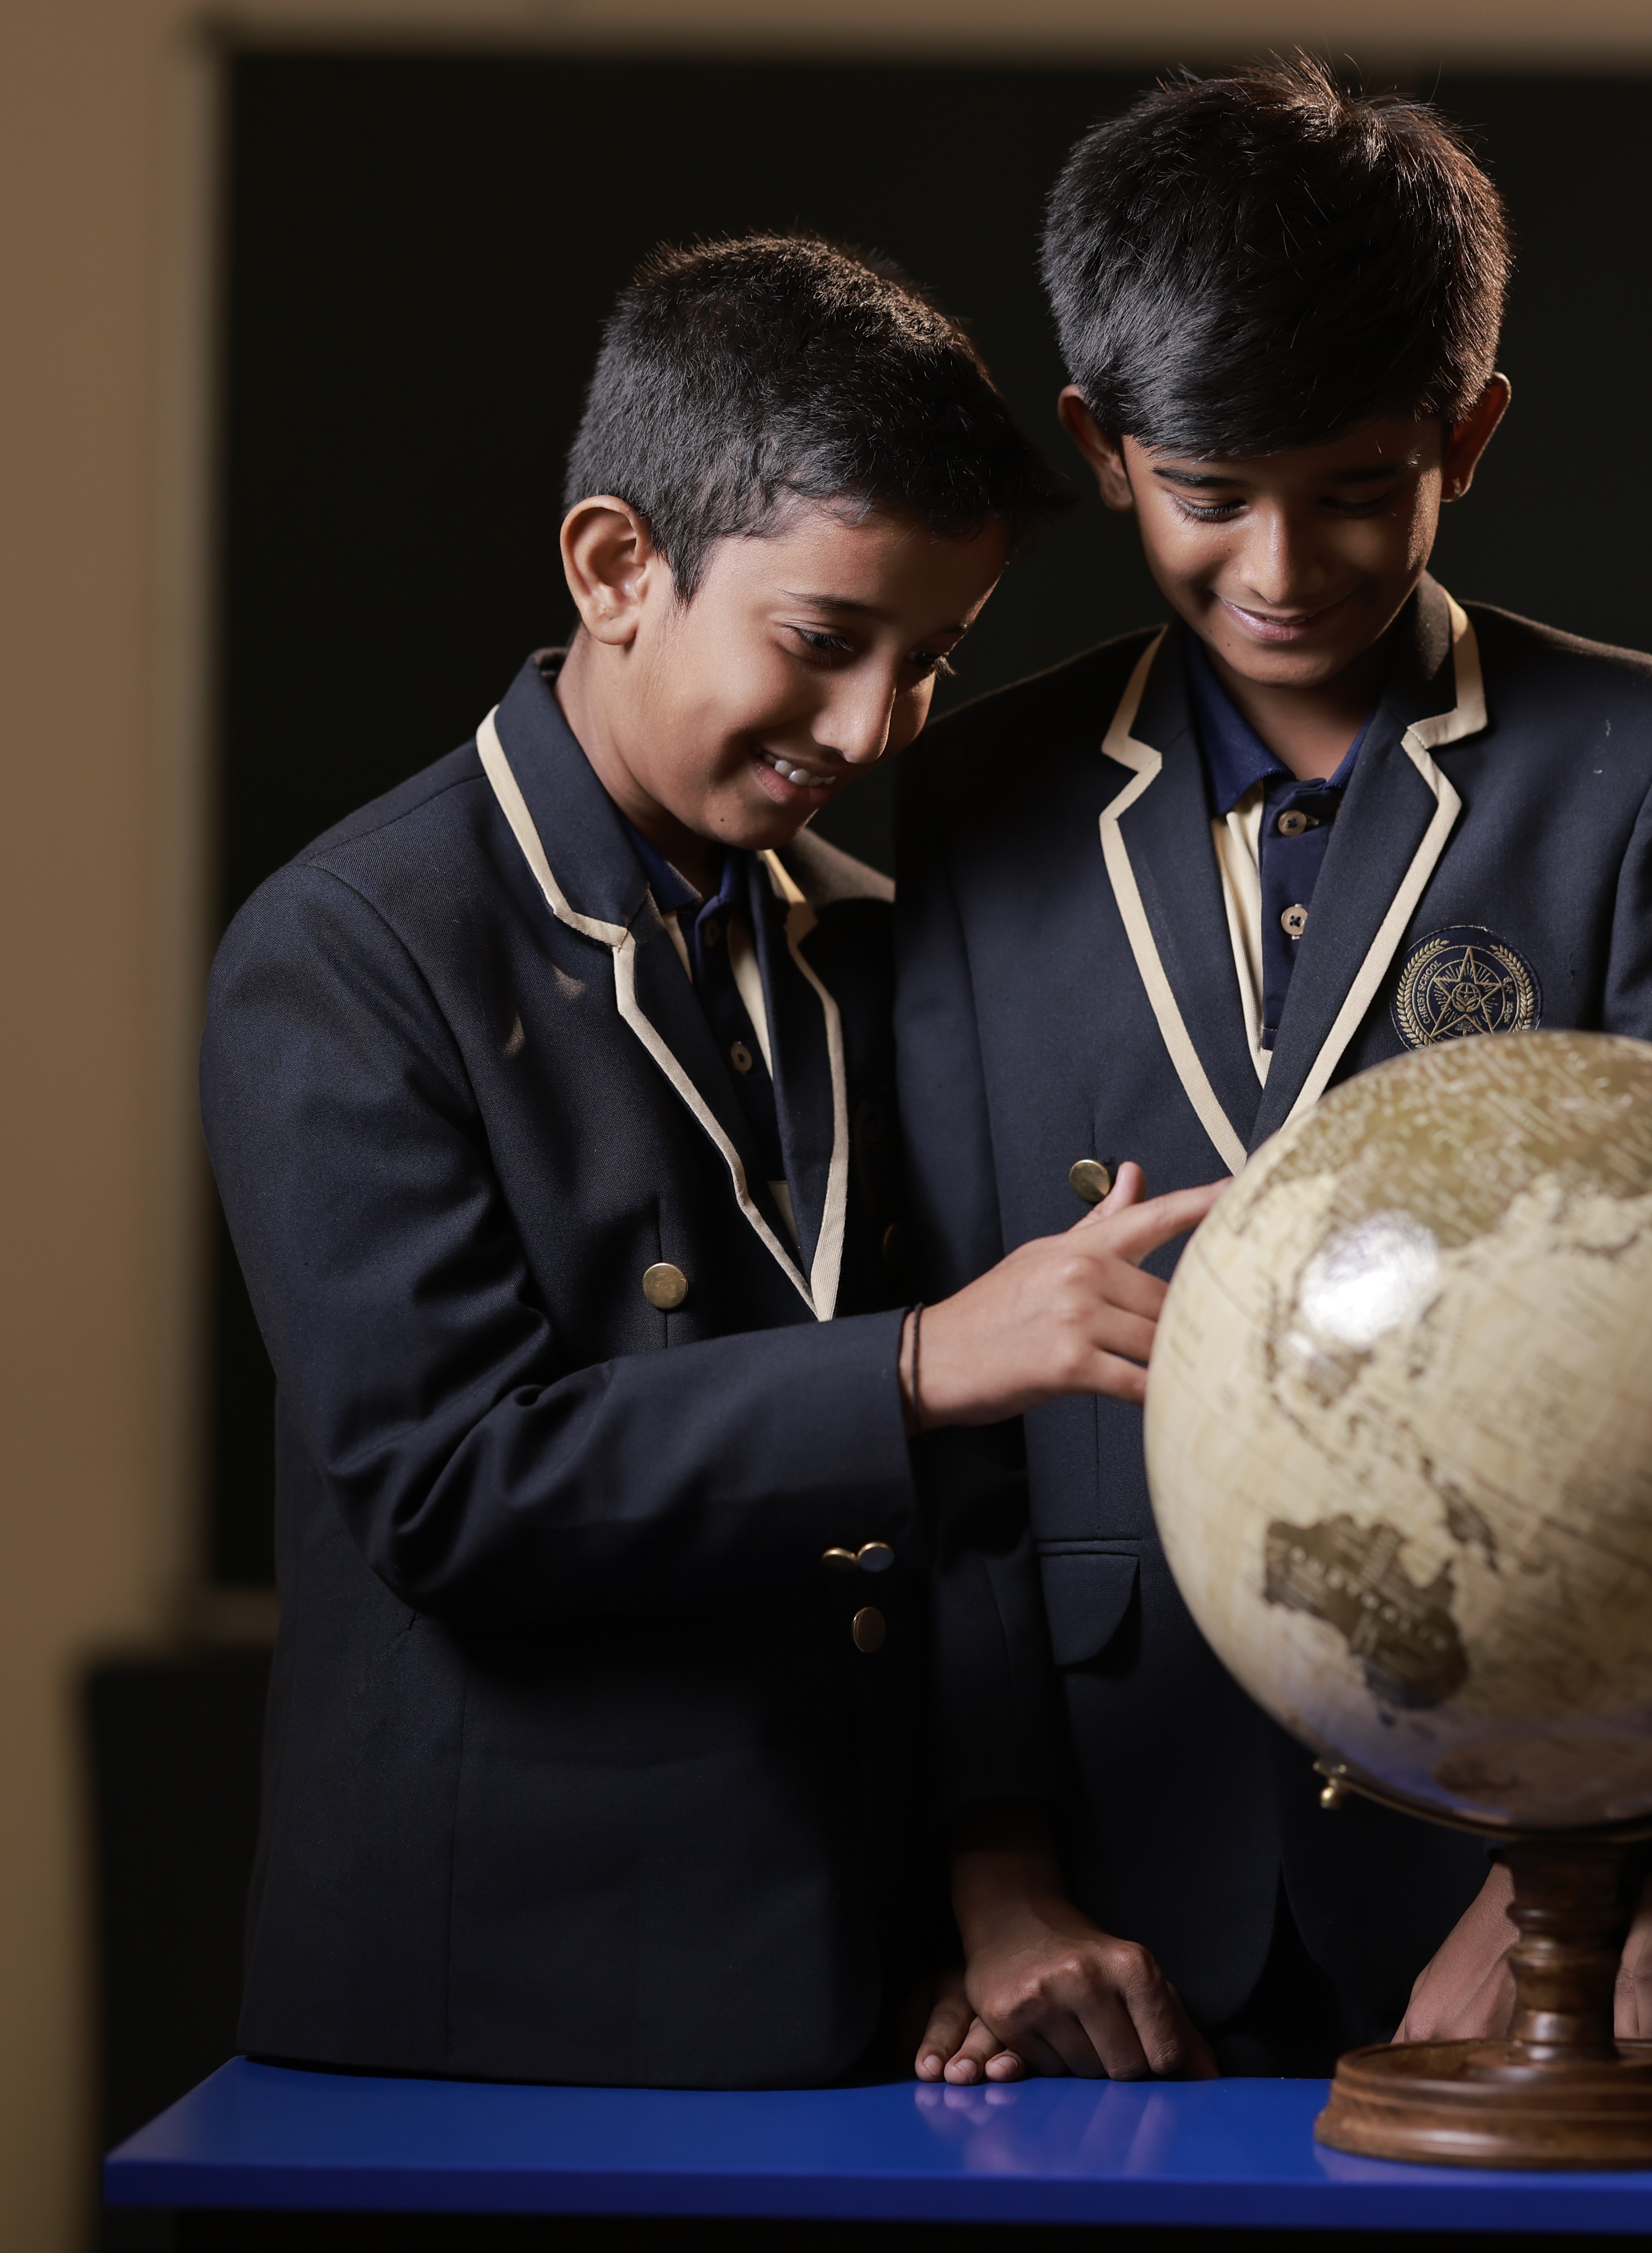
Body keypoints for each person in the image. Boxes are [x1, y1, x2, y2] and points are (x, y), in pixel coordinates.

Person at [204, 234, 1218, 2089]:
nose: (869, 730)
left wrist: (990, 1875)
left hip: (861, 1994)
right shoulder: (349, 943)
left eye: (929, 662)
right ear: (615, 567)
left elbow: (966, 1511)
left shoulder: (867, 938)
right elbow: (448, 1489)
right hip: (490, 2033)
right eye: (825, 642)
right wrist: (914, 1360)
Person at [894, 61, 1652, 2086]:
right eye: (1207, 495)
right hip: (1104, 1901)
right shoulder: (970, 795)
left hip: (1511, 1884)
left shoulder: (1651, 769)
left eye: (1354, 487)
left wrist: (1553, 1879)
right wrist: (995, 1872)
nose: (1281, 564)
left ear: (1466, 436)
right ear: (1097, 445)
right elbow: (945, 1426)